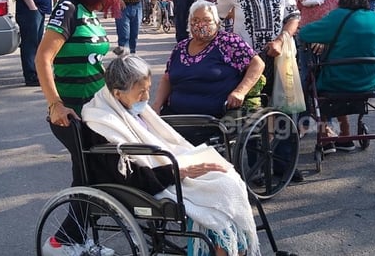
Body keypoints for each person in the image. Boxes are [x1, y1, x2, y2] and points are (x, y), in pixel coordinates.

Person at [81, 55, 261, 256]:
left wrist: (185, 166)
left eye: (148, 89)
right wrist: (180, 171)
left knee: (227, 177)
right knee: (220, 190)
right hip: (147, 180)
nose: (147, 98)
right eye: (141, 92)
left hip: (165, 165)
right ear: (117, 93)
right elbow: (130, 177)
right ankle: (224, 250)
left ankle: (236, 250)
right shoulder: (101, 123)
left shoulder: (127, 105)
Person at [35, 0, 127, 256]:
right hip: (71, 113)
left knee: (88, 176)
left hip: (94, 110)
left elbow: (92, 60)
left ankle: (73, 239)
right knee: (91, 176)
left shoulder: (88, 13)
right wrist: (55, 104)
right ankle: (62, 242)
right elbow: (43, 59)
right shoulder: (68, 9)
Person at [216, 0, 302, 182]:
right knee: (253, 112)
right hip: (249, 62)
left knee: (284, 110)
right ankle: (256, 167)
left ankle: (286, 165)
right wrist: (233, 46)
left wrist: (281, 40)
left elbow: (293, 15)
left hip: (280, 56)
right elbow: (218, 17)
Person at [293, 0, 358, 152]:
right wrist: (305, 0)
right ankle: (313, 127)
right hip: (306, 29)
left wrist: (328, 37)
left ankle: (328, 129)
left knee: (326, 84)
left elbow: (348, 10)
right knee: (305, 79)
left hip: (332, 36)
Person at [298, 0, 375, 151]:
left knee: (314, 83)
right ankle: (345, 134)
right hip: (367, 81)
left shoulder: (337, 16)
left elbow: (304, 33)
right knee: (342, 75)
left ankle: (327, 137)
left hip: (336, 81)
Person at [152, 0, 265, 117]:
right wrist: (156, 105)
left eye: (206, 20)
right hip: (176, 117)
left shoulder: (228, 42)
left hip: (214, 119)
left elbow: (257, 64)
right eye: (195, 20)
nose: (200, 25)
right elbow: (167, 78)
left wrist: (240, 92)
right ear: (189, 23)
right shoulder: (180, 47)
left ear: (216, 22)